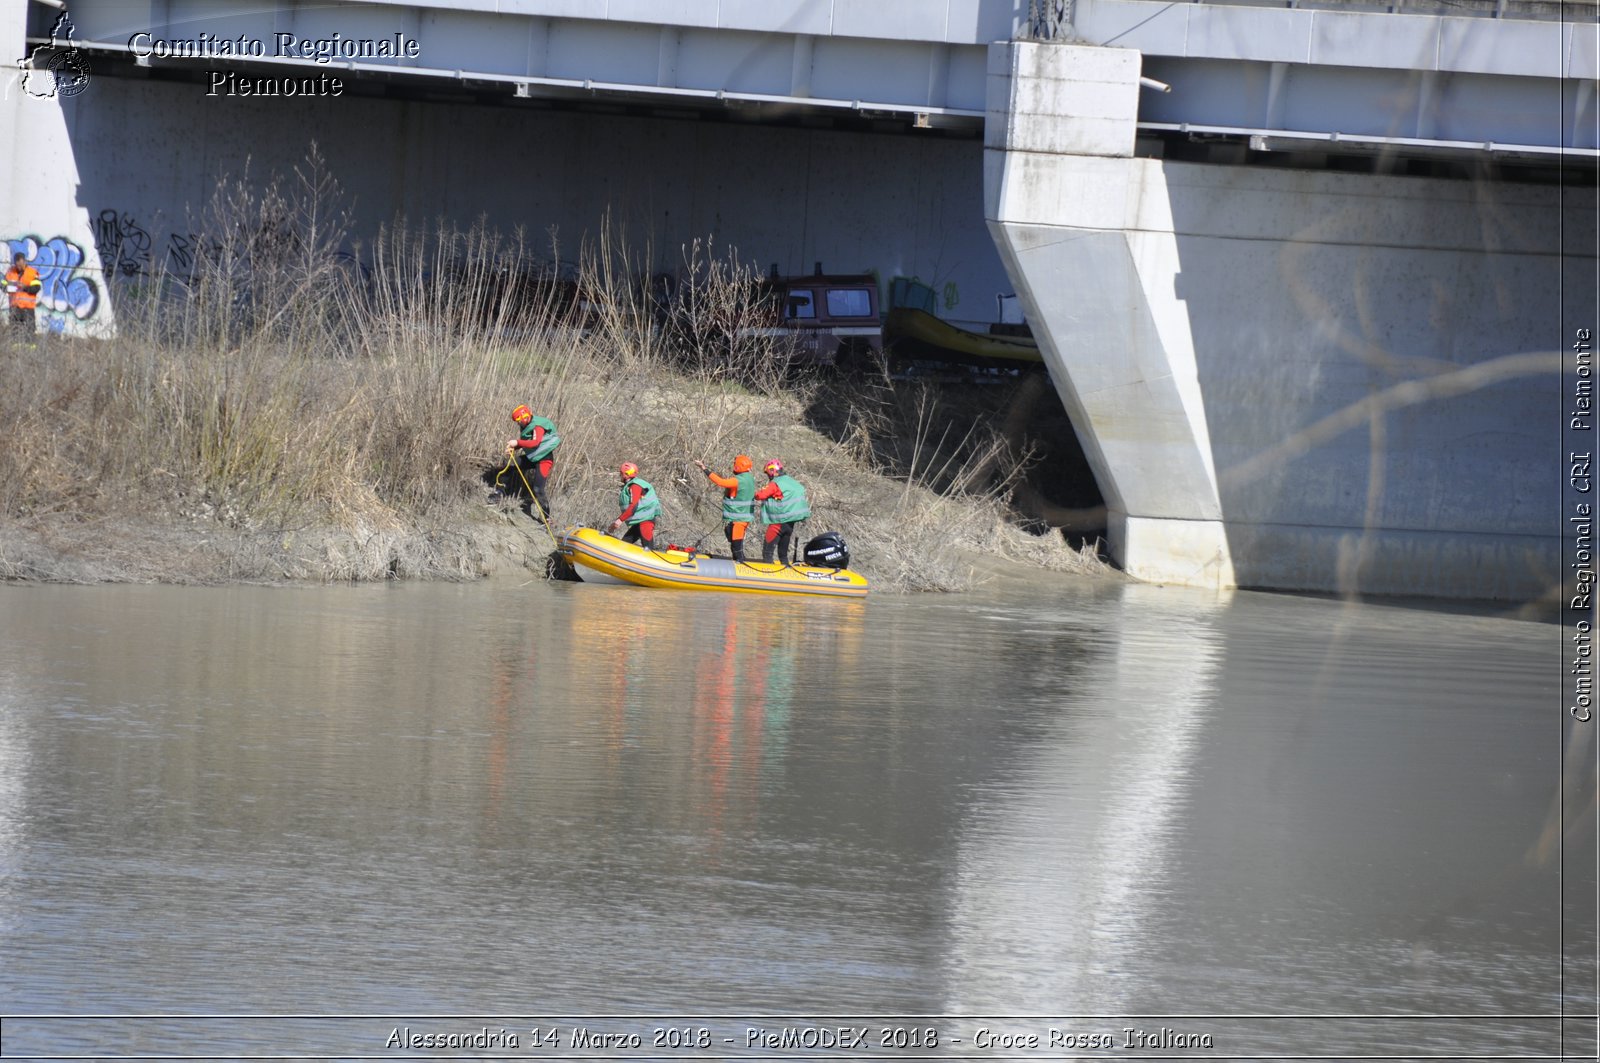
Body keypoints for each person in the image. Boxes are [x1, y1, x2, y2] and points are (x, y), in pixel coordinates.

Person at [693, 453, 756, 562]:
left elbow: (720, 482)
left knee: (736, 546)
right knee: (736, 545)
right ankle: (739, 562)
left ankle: (741, 564)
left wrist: (704, 468)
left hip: (737, 519)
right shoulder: (750, 478)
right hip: (742, 518)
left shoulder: (738, 480)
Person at [504, 404, 560, 521]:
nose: (518, 424)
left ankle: (547, 519)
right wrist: (514, 448)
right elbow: (526, 443)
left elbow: (535, 443)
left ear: (524, 417)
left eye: (519, 421)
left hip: (544, 460)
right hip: (533, 457)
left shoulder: (538, 426)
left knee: (538, 489)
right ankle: (499, 492)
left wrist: (516, 442)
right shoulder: (526, 426)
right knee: (512, 464)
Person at [754, 459, 811, 565]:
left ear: (772, 471)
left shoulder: (776, 483)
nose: (768, 476)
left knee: (767, 551)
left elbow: (761, 495)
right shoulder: (791, 481)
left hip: (778, 522)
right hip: (790, 523)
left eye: (768, 473)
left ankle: (768, 573)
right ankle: (786, 569)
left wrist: (752, 494)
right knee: (783, 554)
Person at [608, 462, 660, 550]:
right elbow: (631, 509)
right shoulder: (631, 485)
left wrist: (619, 520)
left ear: (626, 474)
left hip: (646, 522)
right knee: (623, 545)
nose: (620, 475)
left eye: (621, 473)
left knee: (649, 549)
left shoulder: (635, 486)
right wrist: (618, 520)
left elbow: (633, 506)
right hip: (639, 523)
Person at [6, 252, 41, 335]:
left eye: (21, 265)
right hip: (14, 307)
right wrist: (10, 287)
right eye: (17, 265)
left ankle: (31, 347)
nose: (19, 267)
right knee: (15, 331)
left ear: (24, 262)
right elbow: (4, 284)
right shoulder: (11, 272)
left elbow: (36, 288)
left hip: (28, 308)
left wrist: (25, 287)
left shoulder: (32, 273)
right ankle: (15, 347)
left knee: (29, 330)